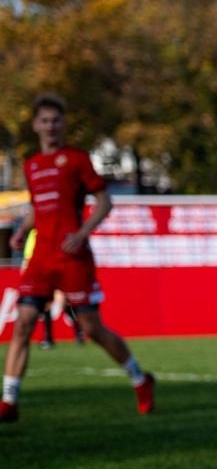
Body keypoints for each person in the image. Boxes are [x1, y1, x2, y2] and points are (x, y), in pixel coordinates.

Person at [3, 94, 155, 423]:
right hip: (41, 258)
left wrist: (83, 232)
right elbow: (39, 207)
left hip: (73, 257)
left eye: (55, 120)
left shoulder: (77, 159)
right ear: (35, 125)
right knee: (23, 323)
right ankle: (9, 400)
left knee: (91, 327)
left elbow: (104, 202)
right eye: (44, 121)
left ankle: (140, 379)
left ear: (63, 124)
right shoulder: (32, 164)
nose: (50, 126)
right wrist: (22, 230)